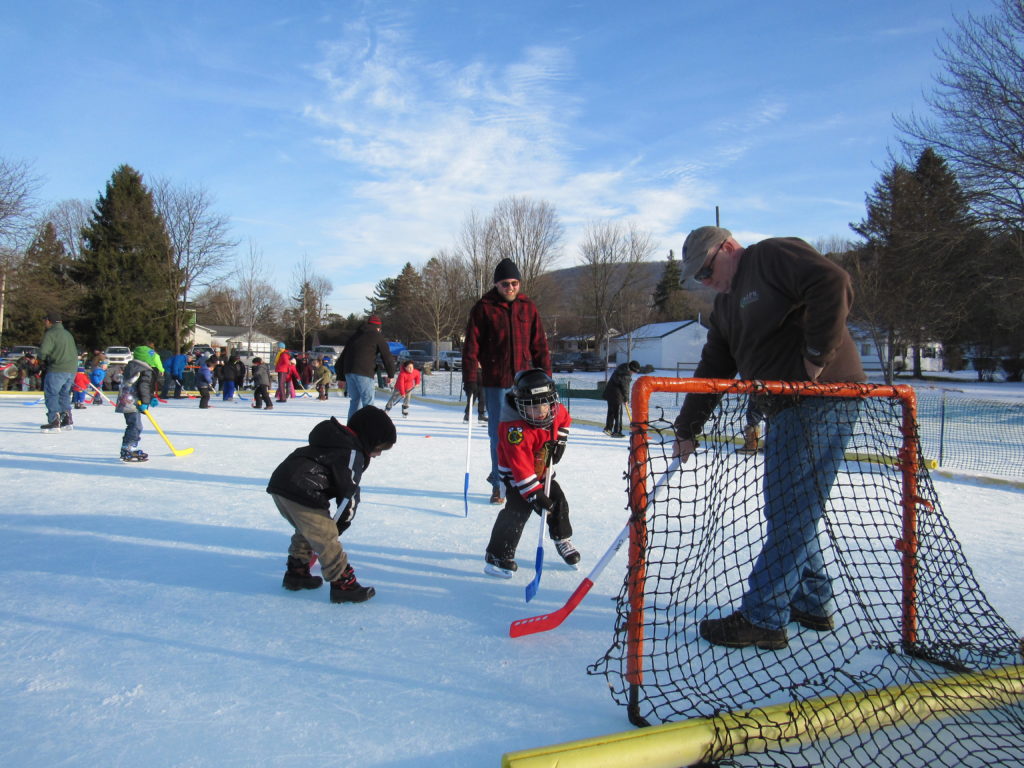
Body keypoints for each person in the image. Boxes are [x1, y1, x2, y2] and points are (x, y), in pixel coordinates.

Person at [671, 225, 866, 650]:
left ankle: (765, 617)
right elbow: (713, 368)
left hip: (824, 398)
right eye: (698, 279)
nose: (706, 282)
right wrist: (687, 428)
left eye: (706, 271)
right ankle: (812, 600)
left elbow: (833, 282)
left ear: (728, 248)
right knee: (789, 507)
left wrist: (817, 355)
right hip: (785, 406)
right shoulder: (725, 308)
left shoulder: (772, 256)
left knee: (792, 509)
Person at [266, 406, 397, 604]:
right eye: (378, 448)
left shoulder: (334, 439)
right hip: (303, 491)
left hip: (282, 485)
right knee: (326, 537)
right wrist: (339, 526)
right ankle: (343, 585)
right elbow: (349, 496)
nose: (378, 454)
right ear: (368, 438)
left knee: (308, 530)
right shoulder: (352, 453)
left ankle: (297, 573)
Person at [462, 259, 551, 504]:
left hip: (525, 383)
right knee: (499, 436)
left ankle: (527, 481)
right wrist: (470, 378)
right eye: (505, 284)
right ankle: (499, 484)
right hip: (496, 381)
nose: (510, 287)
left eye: (514, 283)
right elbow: (471, 346)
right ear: (496, 284)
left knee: (529, 433)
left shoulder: (528, 307)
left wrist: (547, 377)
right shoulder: (483, 308)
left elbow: (539, 345)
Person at [484, 369, 577, 578]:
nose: (542, 411)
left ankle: (562, 538)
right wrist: (534, 493)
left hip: (543, 468)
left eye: (545, 405)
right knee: (517, 513)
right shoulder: (514, 429)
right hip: (517, 478)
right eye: (534, 407)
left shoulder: (554, 409)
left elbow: (564, 418)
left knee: (558, 501)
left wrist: (561, 438)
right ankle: (498, 554)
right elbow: (520, 466)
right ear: (520, 404)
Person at [338, 317, 396, 420]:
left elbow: (342, 356)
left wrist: (341, 376)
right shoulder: (376, 336)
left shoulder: (355, 335)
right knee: (368, 403)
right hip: (364, 372)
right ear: (378, 327)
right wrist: (391, 374)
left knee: (355, 401)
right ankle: (368, 430)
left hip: (349, 372)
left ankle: (351, 429)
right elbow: (387, 356)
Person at [114, 346, 159, 462]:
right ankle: (126, 449)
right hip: (132, 402)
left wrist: (151, 397)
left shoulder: (133, 366)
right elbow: (143, 386)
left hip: (127, 400)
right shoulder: (144, 369)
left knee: (134, 425)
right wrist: (146, 401)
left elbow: (138, 385)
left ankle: (127, 447)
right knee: (135, 426)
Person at [38, 312, 79, 432]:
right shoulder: (68, 334)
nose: (44, 323)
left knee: (51, 394)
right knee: (64, 394)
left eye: (45, 320)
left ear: (49, 321)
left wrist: (41, 359)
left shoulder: (51, 334)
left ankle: (54, 420)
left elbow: (43, 351)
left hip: (57, 369)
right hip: (71, 369)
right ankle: (67, 420)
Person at [602, 360, 640, 437]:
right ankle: (617, 432)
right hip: (617, 395)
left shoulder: (621, 368)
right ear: (632, 369)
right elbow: (625, 388)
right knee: (618, 413)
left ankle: (608, 429)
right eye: (635, 371)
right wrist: (626, 399)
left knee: (611, 412)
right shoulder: (626, 374)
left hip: (610, 393)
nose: (634, 373)